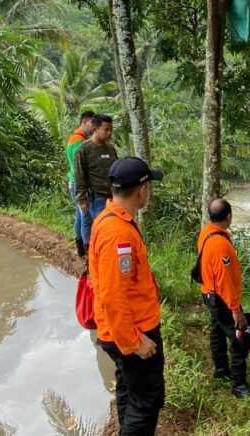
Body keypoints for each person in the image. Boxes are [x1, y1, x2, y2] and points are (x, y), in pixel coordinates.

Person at [89, 157, 164, 435]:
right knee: (146, 400)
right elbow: (112, 294)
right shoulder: (117, 233)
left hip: (121, 329)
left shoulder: (111, 219)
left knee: (129, 390)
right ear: (142, 189)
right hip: (133, 332)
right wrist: (133, 342)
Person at [197, 198, 250, 399]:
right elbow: (225, 280)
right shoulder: (221, 244)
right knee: (240, 336)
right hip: (222, 297)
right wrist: (235, 309)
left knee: (216, 330)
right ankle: (239, 386)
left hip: (209, 292)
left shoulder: (206, 232)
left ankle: (221, 370)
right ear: (229, 216)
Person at [74, 114, 118, 253]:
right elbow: (79, 176)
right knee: (98, 227)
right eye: (106, 130)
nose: (109, 133)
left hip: (112, 197)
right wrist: (81, 199)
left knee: (111, 227)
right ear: (95, 128)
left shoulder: (111, 149)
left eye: (111, 129)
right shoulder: (83, 150)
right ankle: (90, 254)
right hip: (96, 197)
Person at [66, 110, 94, 257]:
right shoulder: (78, 140)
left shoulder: (76, 138)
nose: (93, 127)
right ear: (84, 122)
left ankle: (80, 248)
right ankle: (87, 250)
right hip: (78, 183)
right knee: (86, 217)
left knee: (79, 215)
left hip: (74, 182)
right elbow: (80, 165)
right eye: (92, 123)